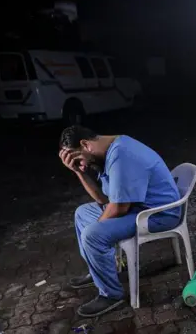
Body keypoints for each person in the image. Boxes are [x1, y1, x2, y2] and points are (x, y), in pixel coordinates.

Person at [58, 126, 181, 317]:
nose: (83, 165)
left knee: (93, 235)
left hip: (158, 215)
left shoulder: (122, 154)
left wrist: (98, 226)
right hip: (136, 209)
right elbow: (103, 201)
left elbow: (119, 208)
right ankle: (97, 270)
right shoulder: (109, 151)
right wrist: (78, 172)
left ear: (85, 144)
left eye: (79, 160)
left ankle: (111, 295)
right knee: (82, 213)